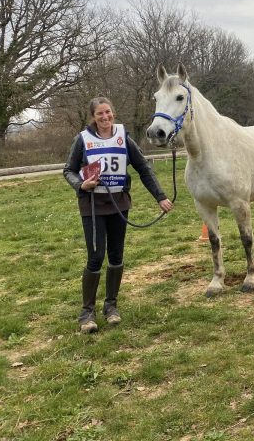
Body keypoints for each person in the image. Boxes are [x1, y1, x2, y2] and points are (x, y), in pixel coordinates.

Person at [63, 97, 174, 334]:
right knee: (96, 257)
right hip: (93, 206)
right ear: (93, 117)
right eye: (100, 114)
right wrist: (81, 185)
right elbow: (68, 170)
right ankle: (87, 313)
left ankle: (111, 306)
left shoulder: (124, 137)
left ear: (113, 112)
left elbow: (143, 168)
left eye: (108, 112)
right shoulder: (83, 139)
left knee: (116, 256)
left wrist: (160, 196)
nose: (105, 117)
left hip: (118, 204)